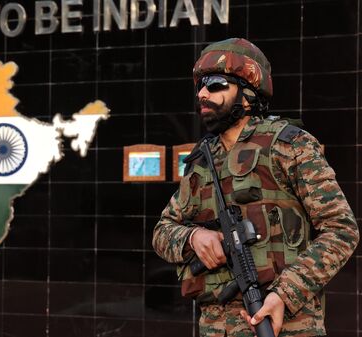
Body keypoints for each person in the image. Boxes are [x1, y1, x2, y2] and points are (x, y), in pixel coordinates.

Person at [152, 38, 358, 337]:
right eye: (200, 86)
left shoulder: (289, 145)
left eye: (214, 84)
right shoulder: (202, 160)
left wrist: (284, 295)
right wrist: (193, 237)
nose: (202, 94)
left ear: (248, 92)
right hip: (217, 328)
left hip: (287, 326)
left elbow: (341, 230)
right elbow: (162, 231)